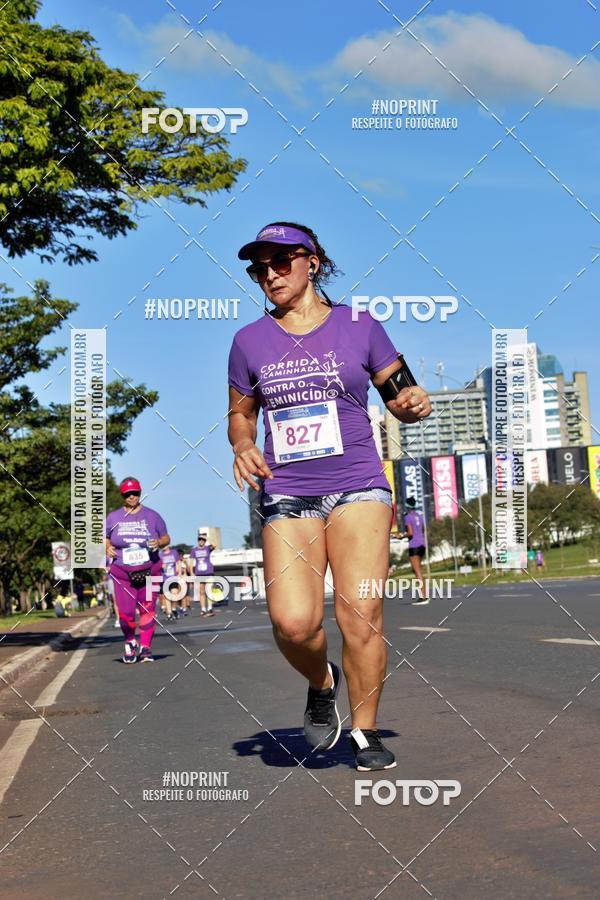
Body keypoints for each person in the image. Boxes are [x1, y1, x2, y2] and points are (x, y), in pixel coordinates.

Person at [227, 221, 432, 771]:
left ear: (311, 262)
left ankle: (364, 732)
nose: (268, 274)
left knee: (360, 611)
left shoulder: (360, 326)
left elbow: (399, 391)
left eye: (280, 262)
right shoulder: (249, 341)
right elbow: (240, 415)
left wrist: (411, 400)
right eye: (258, 267)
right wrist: (243, 444)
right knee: (294, 624)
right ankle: (322, 682)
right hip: (288, 491)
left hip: (360, 485)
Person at [104, 477, 170, 663]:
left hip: (150, 571)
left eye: (135, 493)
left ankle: (146, 647)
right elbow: (104, 538)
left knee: (148, 609)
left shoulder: (153, 516)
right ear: (122, 495)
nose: (132, 497)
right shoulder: (113, 517)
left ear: (140, 493)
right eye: (128, 494)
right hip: (123, 573)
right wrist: (107, 546)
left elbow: (166, 537)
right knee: (125, 613)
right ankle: (130, 640)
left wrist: (159, 542)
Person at [402, 496, 429, 605]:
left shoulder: (408, 517)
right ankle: (424, 594)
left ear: (407, 505)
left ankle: (423, 597)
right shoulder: (420, 515)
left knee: (417, 571)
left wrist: (402, 536)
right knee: (418, 571)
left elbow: (410, 533)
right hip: (422, 544)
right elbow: (420, 530)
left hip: (414, 545)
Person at [188, 533, 217, 617]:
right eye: (200, 539)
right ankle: (203, 609)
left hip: (209, 572)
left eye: (203, 540)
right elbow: (191, 561)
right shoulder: (194, 550)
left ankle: (210, 608)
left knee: (209, 590)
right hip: (199, 573)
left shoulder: (208, 548)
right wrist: (191, 572)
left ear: (205, 541)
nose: (201, 541)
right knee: (201, 591)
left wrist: (207, 537)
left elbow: (215, 544)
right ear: (197, 541)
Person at [159, 544, 185, 620]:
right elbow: (156, 565)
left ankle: (173, 608)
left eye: (165, 544)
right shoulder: (160, 554)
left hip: (173, 577)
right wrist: (161, 566)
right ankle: (169, 613)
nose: (164, 546)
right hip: (164, 578)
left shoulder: (174, 552)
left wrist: (179, 573)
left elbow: (178, 563)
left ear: (168, 545)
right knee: (167, 596)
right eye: (162, 545)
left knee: (174, 594)